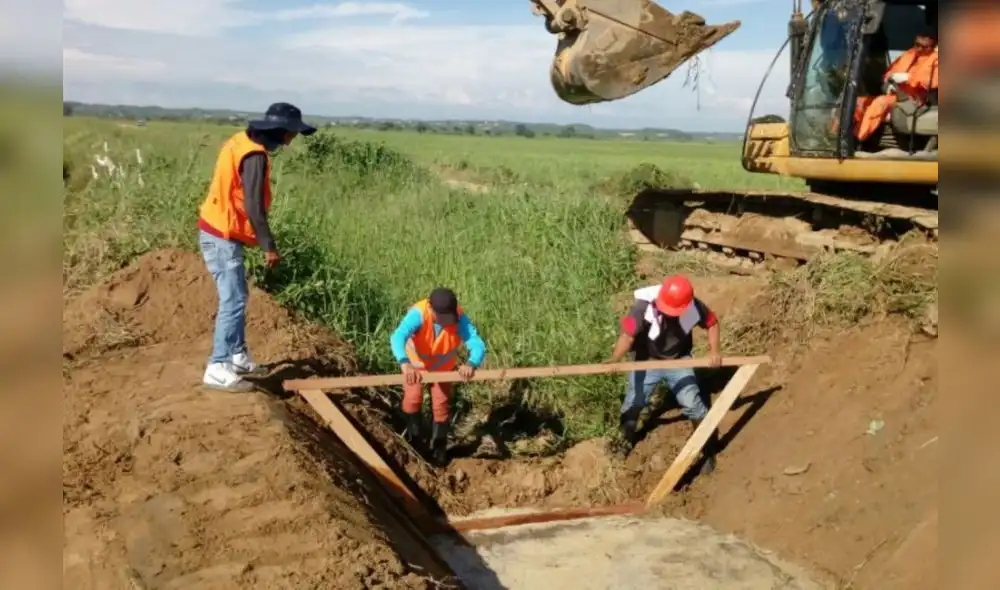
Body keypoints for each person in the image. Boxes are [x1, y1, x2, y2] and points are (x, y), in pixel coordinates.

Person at [196, 103, 317, 392]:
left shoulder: (241, 140)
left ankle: (237, 356)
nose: (293, 139)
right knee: (233, 299)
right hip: (221, 235)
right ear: (281, 131)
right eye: (292, 133)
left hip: (217, 228)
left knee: (237, 295)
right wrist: (269, 246)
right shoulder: (254, 156)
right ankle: (218, 365)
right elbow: (253, 206)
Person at [605, 274, 723, 473]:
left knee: (693, 404)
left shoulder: (693, 307)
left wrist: (714, 351)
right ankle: (624, 442)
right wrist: (615, 360)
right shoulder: (642, 308)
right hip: (646, 361)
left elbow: (712, 323)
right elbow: (627, 336)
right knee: (634, 403)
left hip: (679, 360)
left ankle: (707, 450)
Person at [390, 287, 487, 466]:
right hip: (415, 367)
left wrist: (471, 363)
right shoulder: (419, 314)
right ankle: (414, 441)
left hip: (442, 370)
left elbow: (477, 344)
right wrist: (404, 363)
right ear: (433, 310)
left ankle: (438, 448)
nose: (450, 321)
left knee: (440, 405)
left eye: (451, 316)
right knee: (412, 399)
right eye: (445, 317)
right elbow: (398, 336)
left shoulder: (460, 319)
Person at [854, 28, 938, 142]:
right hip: (896, 95)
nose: (919, 49)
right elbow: (890, 72)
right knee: (859, 102)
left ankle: (858, 139)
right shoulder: (909, 54)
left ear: (933, 46)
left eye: (924, 47)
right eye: (917, 44)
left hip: (915, 99)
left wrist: (908, 78)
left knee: (880, 102)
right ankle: (839, 136)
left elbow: (932, 81)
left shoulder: (936, 59)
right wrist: (889, 82)